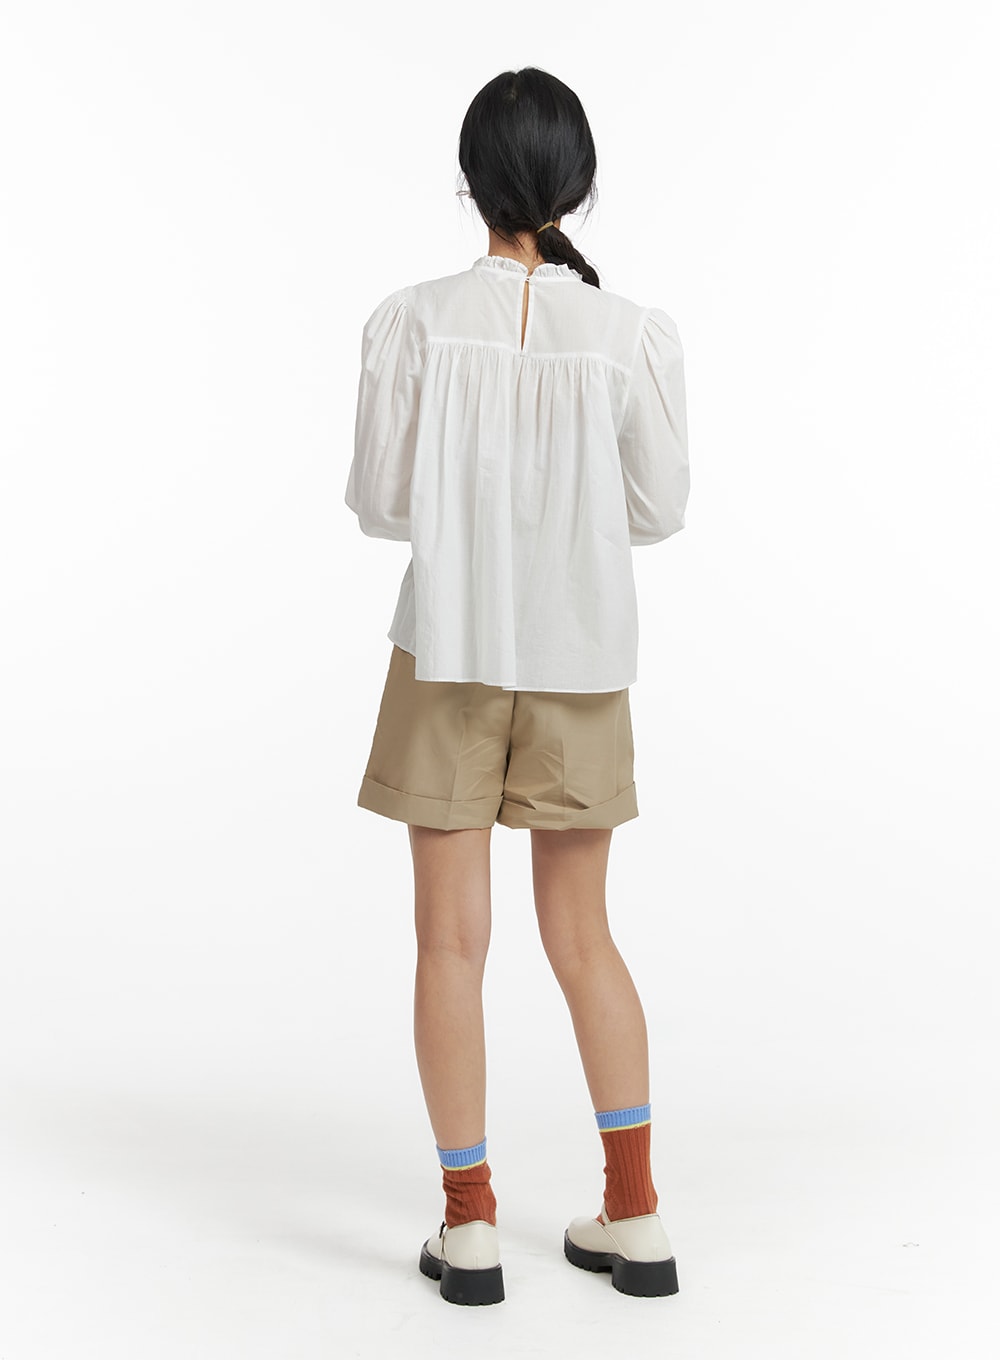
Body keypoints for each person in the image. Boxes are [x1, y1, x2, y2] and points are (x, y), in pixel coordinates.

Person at [344, 66, 690, 1306]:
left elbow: (381, 503)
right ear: (576, 187)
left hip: (447, 649)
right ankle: (634, 1214)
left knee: (449, 941)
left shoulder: (413, 320)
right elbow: (659, 510)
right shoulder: (631, 334)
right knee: (584, 937)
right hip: (580, 662)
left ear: (468, 181)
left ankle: (471, 1225)